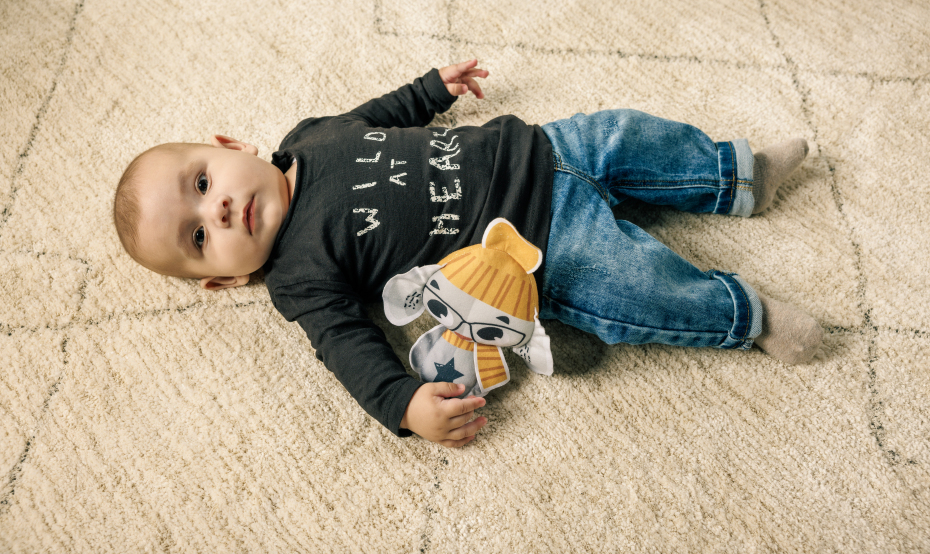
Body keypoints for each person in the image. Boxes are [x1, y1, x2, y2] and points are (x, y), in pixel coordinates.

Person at [113, 59, 822, 448]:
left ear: (232, 147)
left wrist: (430, 92)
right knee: (634, 284)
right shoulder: (298, 277)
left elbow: (377, 118)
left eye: (203, 183)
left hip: (541, 146)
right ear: (227, 277)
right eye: (199, 235)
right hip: (534, 252)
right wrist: (404, 405)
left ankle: (737, 176)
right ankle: (746, 318)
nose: (219, 207)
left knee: (630, 131)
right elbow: (345, 349)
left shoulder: (309, 135)